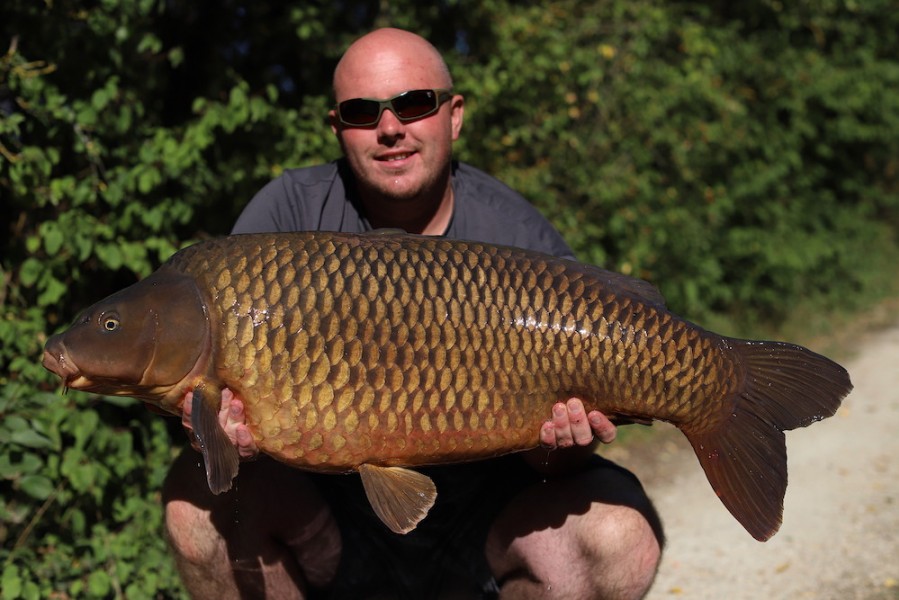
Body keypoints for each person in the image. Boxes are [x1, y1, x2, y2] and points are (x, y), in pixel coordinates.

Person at [162, 27, 663, 599]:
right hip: (328, 528)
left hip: (489, 524)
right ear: (336, 128)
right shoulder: (283, 218)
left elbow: (557, 468)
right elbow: (223, 415)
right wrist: (216, 433)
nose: (390, 127)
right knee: (193, 511)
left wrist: (562, 445)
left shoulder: (516, 234)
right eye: (362, 111)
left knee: (620, 537)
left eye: (414, 103)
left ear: (453, 116)